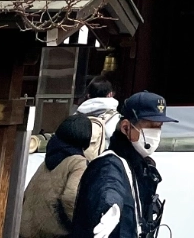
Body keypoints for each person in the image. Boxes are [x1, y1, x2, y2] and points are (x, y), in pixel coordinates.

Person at [69, 91, 176, 238]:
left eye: (159, 127)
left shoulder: (140, 165)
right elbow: (109, 185)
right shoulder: (109, 164)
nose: (156, 133)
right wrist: (110, 206)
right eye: (150, 126)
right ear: (126, 127)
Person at [21, 114, 93, 238]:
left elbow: (27, 193)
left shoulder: (47, 160)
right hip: (52, 232)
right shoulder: (78, 162)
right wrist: (81, 228)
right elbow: (71, 197)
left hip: (26, 228)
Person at [77, 75, 119, 161]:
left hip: (77, 164)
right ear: (110, 94)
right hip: (102, 165)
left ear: (88, 95)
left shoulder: (76, 116)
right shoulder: (116, 119)